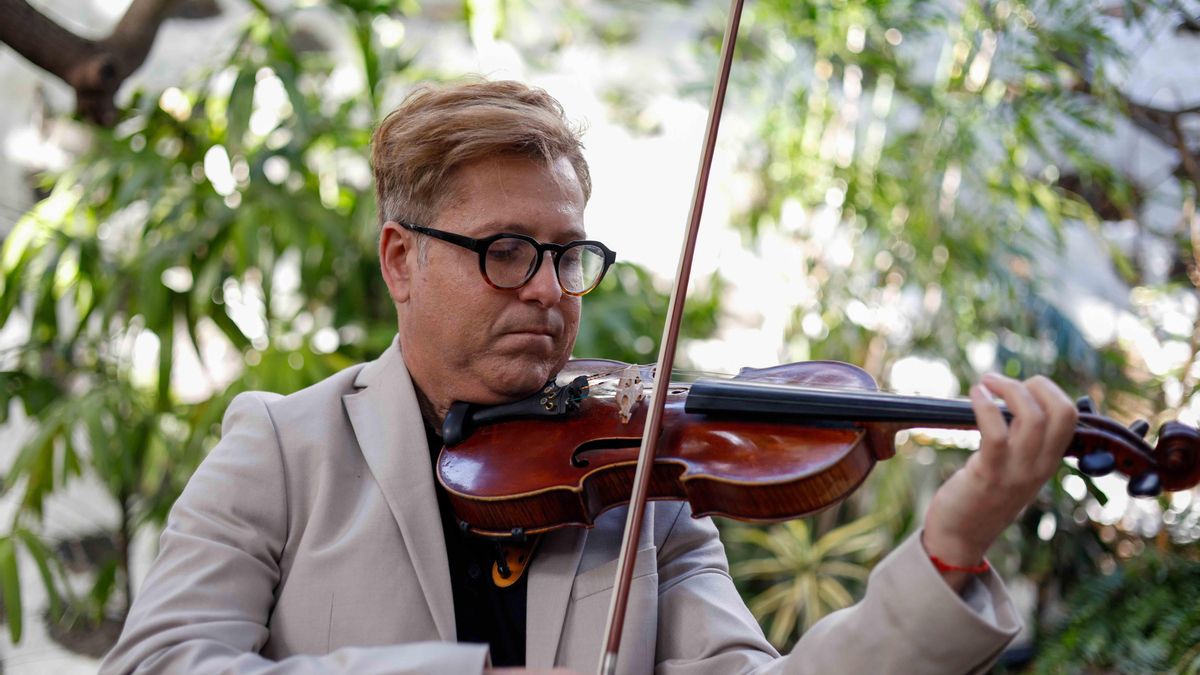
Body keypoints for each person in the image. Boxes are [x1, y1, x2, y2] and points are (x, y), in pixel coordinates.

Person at [101, 79, 1079, 674]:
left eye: (568, 254)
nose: (546, 290)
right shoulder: (283, 448)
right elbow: (156, 666)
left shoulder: (639, 477)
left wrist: (950, 545)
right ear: (402, 261)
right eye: (506, 250)